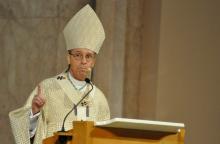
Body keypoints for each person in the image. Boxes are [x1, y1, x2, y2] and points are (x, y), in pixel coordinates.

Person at [9, 4, 110, 144]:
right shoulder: (48, 88)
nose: (83, 61)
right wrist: (35, 112)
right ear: (68, 58)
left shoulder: (100, 99)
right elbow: (25, 133)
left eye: (89, 56)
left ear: (94, 62)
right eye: (77, 55)